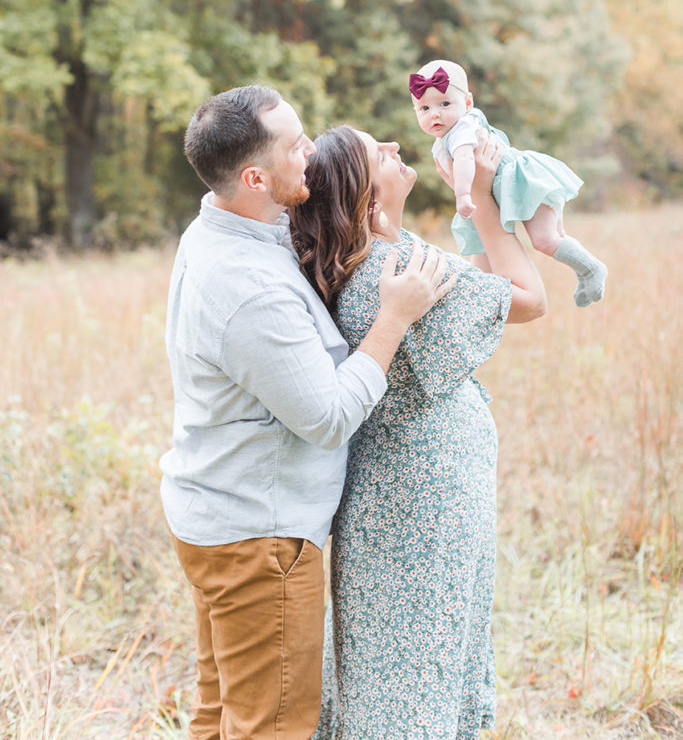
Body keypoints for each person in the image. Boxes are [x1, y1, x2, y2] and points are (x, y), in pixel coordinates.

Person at [159, 85, 457, 740]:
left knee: (221, 713)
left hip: (216, 513)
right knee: (272, 726)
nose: (311, 151)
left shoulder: (224, 224)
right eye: (296, 145)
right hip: (258, 539)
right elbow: (325, 417)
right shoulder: (246, 287)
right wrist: (392, 319)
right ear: (254, 177)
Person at [288, 125, 546, 740]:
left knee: (392, 655)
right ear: (362, 194)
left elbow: (478, 278)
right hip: (421, 502)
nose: (397, 150)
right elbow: (529, 297)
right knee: (417, 657)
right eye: (380, 151)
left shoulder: (374, 259)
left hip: (392, 492)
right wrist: (482, 197)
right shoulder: (395, 269)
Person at [409, 59, 608, 307]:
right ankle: (583, 270)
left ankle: (591, 270)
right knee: (543, 239)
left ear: (468, 103)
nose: (435, 113)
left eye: (445, 103)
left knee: (545, 239)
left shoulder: (462, 129)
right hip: (506, 188)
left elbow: (463, 161)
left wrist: (462, 196)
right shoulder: (443, 139)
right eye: (424, 108)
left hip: (522, 181)